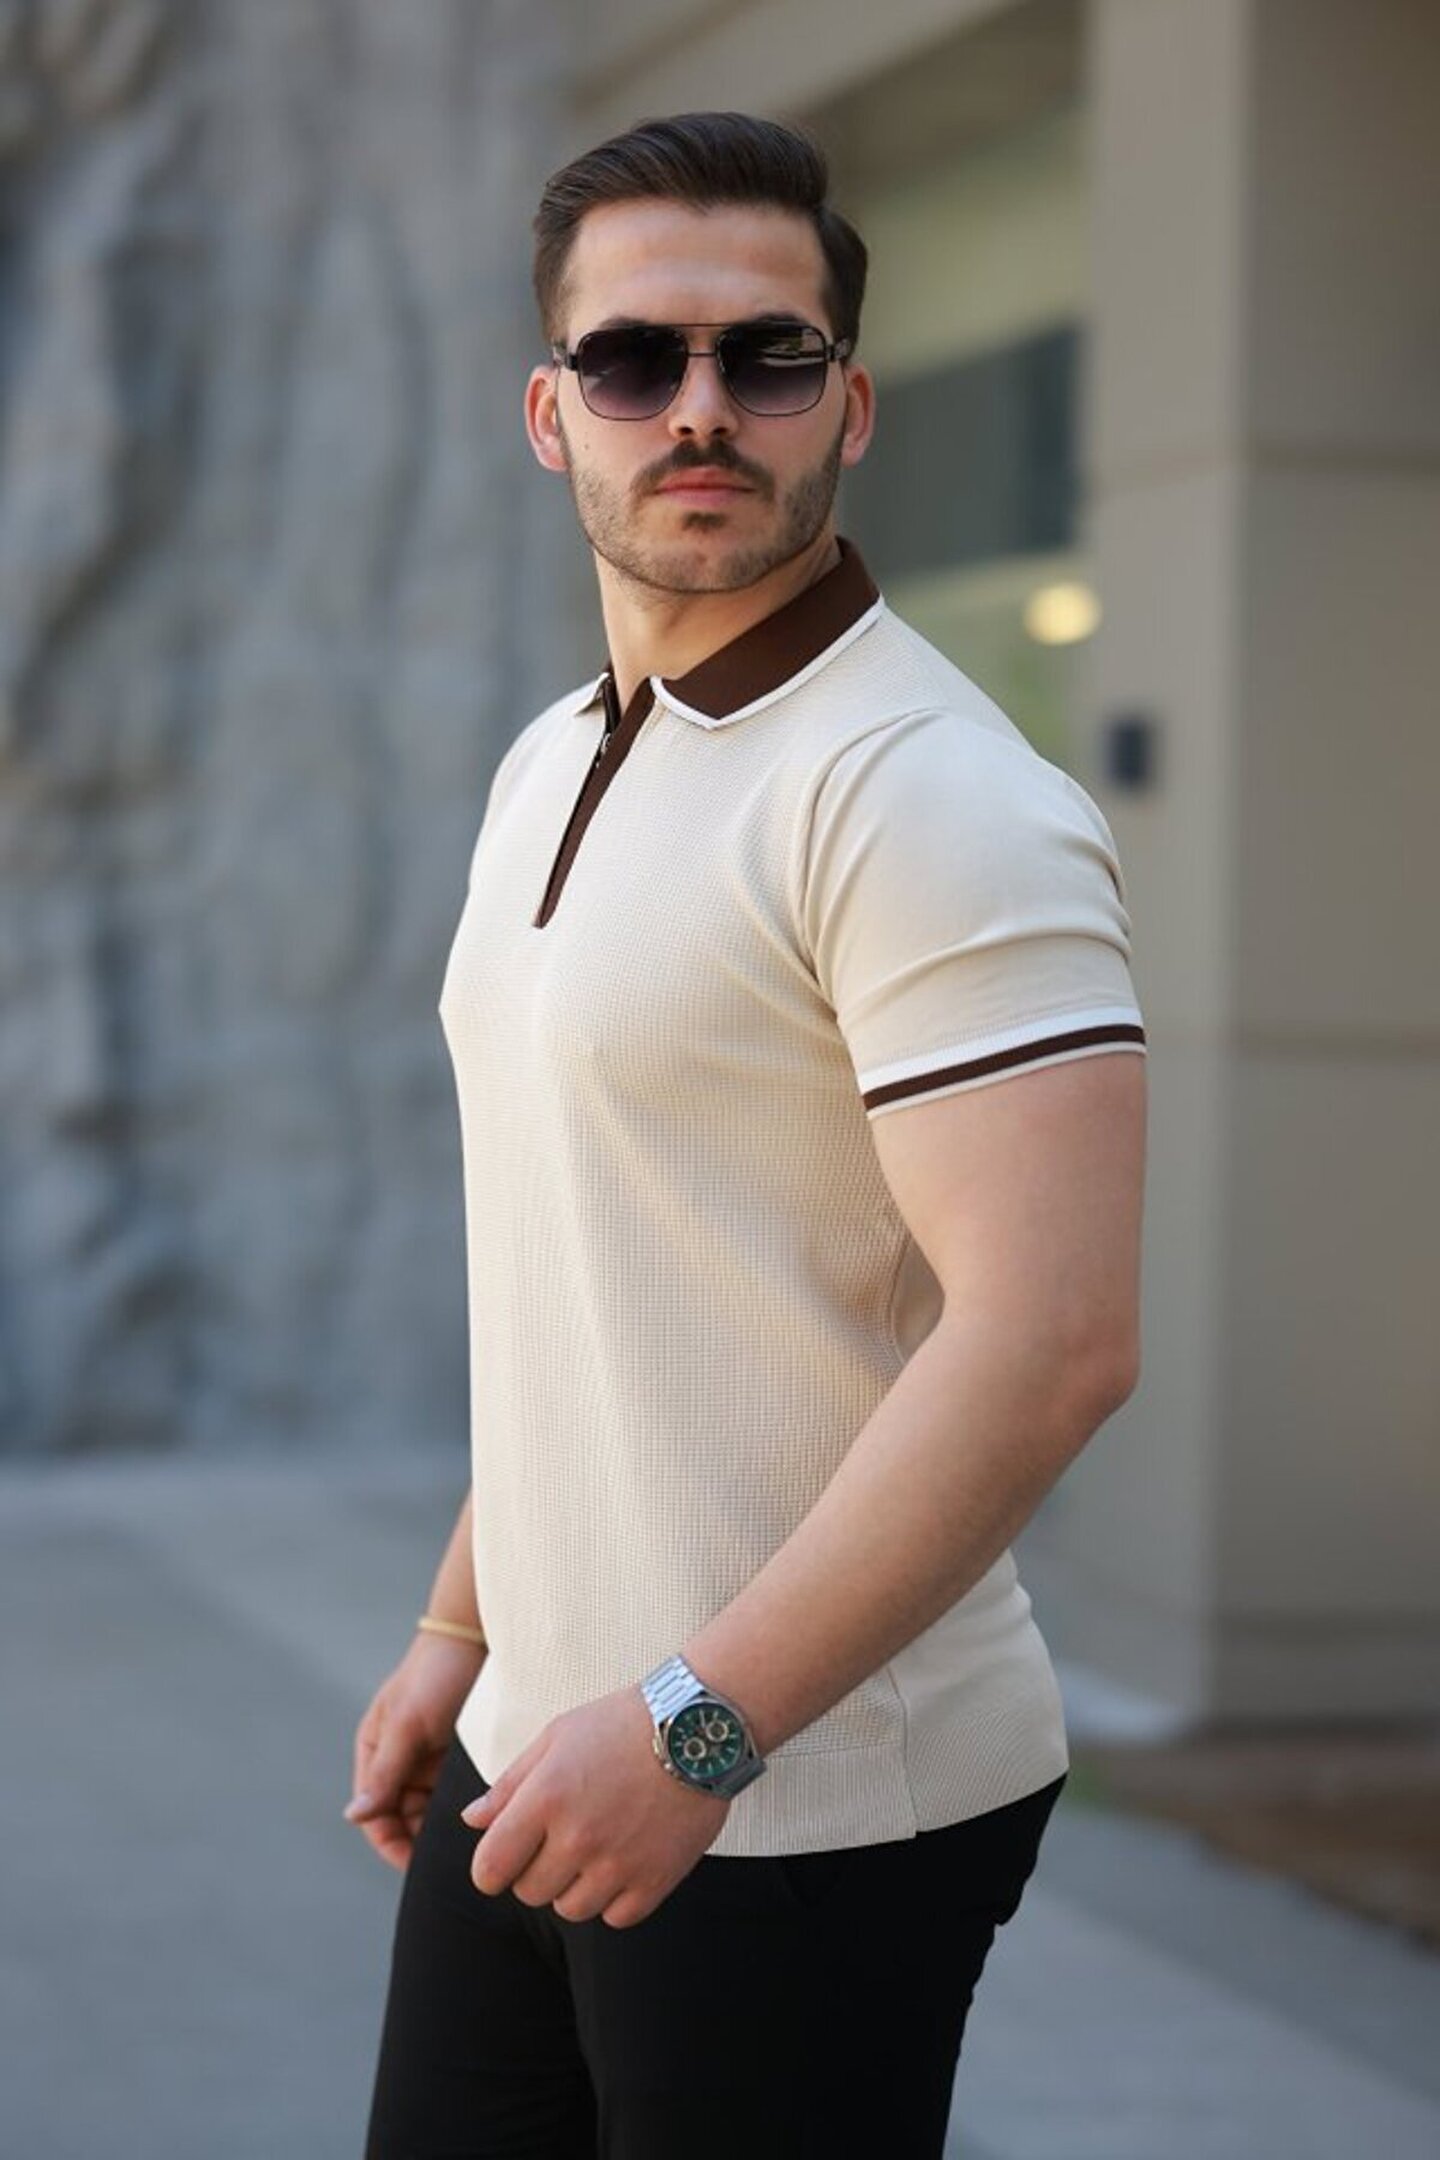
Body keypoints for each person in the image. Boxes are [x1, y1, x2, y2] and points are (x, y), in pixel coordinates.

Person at [350, 109, 1148, 2160]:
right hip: (549, 1747)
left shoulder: (928, 795)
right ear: (553, 413)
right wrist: (464, 1627)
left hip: (800, 1796)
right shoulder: (553, 761)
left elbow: (1053, 1339)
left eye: (764, 356)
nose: (699, 408)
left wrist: (697, 1734)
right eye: (635, 358)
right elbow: (606, 1262)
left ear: (847, 404)